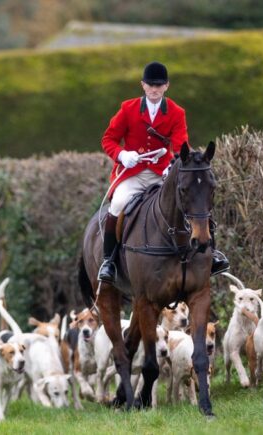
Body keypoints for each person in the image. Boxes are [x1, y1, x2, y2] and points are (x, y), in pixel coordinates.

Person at [97, 61, 229, 283]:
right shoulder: (128, 109)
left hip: (163, 172)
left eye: (159, 85)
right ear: (143, 85)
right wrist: (122, 155)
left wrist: (173, 164)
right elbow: (108, 139)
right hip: (133, 173)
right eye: (150, 85)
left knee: (194, 199)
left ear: (167, 86)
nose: (154, 89)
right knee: (118, 204)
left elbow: (180, 147)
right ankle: (109, 261)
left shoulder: (177, 112)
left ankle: (211, 252)